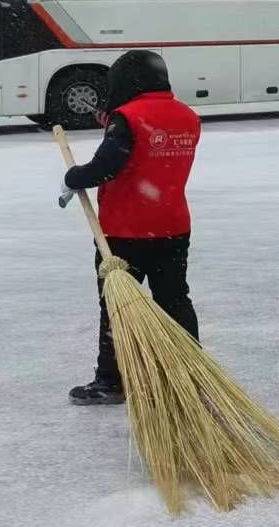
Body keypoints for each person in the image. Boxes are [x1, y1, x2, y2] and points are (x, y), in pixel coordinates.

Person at [58, 50, 202, 405]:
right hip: (172, 227)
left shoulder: (127, 119)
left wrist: (71, 178)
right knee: (175, 300)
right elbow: (146, 145)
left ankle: (112, 381)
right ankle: (191, 372)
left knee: (117, 307)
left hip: (125, 233)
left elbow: (104, 168)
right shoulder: (187, 116)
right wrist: (114, 125)